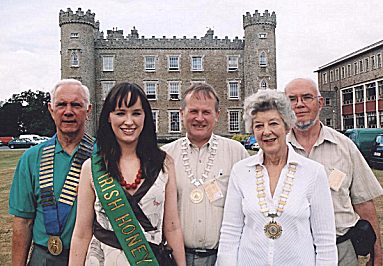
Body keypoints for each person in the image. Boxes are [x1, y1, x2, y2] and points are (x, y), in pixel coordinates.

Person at [69, 82, 186, 265]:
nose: (129, 121)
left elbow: (172, 227)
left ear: (146, 117)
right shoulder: (91, 168)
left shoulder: (165, 163)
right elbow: (82, 233)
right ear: (109, 117)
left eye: (136, 113)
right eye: (120, 113)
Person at [216, 89, 337, 265]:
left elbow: (325, 241)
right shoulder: (240, 171)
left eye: (273, 123)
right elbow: (230, 233)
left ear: (287, 126)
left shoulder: (314, 173)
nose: (266, 132)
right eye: (258, 126)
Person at [285, 78, 383, 266]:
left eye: (307, 97)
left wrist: (377, 254)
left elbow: (363, 202)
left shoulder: (345, 146)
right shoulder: (277, 148)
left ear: (320, 103)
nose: (299, 105)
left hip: (341, 250)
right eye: (292, 99)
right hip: (291, 252)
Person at [161, 83, 249, 266]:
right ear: (181, 113)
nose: (199, 118)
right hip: (176, 258)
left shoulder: (236, 152)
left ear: (217, 115)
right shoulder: (165, 156)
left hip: (224, 258)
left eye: (206, 112)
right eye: (193, 111)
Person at [9, 79, 94, 265]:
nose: (68, 111)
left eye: (76, 105)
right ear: (51, 109)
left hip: (91, 257)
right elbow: (23, 222)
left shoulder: (104, 157)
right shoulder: (32, 158)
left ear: (88, 110)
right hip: (44, 257)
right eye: (61, 104)